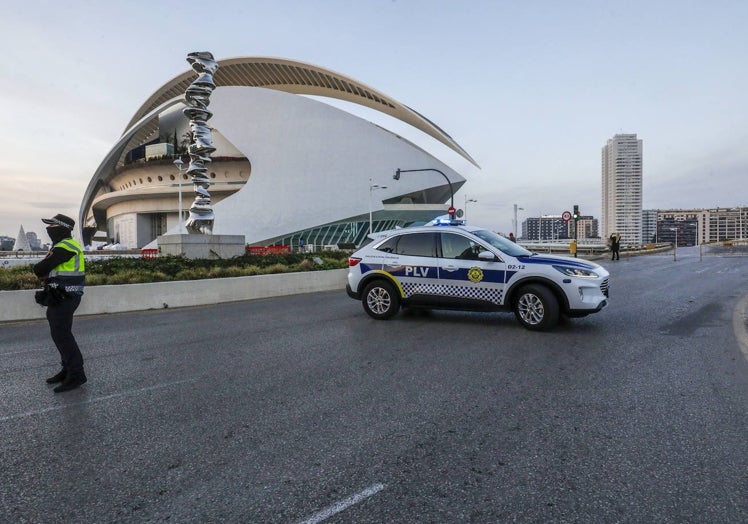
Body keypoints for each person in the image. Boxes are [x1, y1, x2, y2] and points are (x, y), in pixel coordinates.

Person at [33, 214, 87, 393]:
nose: (48, 229)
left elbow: (40, 268)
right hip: (61, 296)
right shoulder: (61, 245)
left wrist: (43, 273)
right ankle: (67, 370)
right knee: (60, 334)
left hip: (66, 297)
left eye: (52, 226)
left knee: (62, 335)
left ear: (62, 228)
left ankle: (76, 374)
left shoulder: (66, 246)